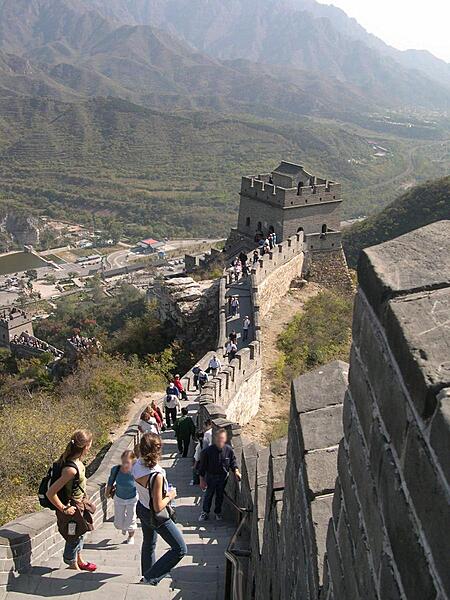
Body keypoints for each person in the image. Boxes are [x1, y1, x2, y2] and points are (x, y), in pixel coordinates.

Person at [133, 433, 187, 586]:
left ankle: (147, 575)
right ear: (158, 450)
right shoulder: (156, 475)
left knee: (149, 542)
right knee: (180, 549)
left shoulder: (137, 465)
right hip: (155, 515)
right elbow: (157, 506)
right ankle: (151, 577)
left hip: (142, 508)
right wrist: (170, 495)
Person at [46, 430, 97, 571]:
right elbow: (51, 493)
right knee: (73, 536)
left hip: (79, 504)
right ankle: (71, 563)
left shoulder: (78, 462)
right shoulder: (70, 469)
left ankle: (79, 560)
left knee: (80, 532)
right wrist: (64, 508)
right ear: (86, 446)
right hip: (71, 508)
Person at [198, 428, 241, 522]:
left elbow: (233, 462)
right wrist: (201, 480)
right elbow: (202, 467)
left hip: (223, 477)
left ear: (225, 439)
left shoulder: (228, 450)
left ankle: (218, 512)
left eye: (222, 438)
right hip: (211, 477)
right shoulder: (208, 451)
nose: (220, 441)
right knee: (209, 494)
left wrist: (236, 471)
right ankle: (205, 512)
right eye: (219, 438)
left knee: (220, 495)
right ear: (215, 439)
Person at [106, 450, 138, 545]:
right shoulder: (115, 470)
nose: (124, 465)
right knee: (118, 524)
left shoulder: (135, 471)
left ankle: (131, 536)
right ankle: (124, 526)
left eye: (127, 462)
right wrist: (107, 493)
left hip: (132, 498)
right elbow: (110, 482)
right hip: (119, 497)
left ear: (132, 461)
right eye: (123, 462)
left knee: (131, 519)